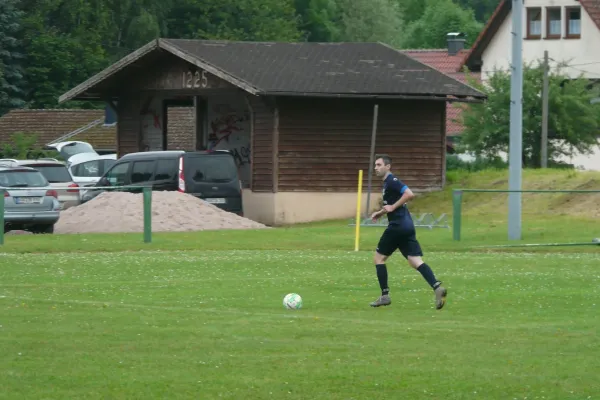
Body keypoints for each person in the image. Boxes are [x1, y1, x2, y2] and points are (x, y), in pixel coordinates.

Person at [369, 154, 447, 310]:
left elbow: (409, 194)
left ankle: (385, 296)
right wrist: (382, 212)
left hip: (397, 226)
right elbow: (392, 205)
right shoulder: (388, 184)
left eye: (378, 165)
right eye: (375, 165)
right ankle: (437, 287)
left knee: (379, 259)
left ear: (388, 166)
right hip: (407, 226)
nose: (375, 168)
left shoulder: (392, 181)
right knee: (415, 260)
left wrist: (392, 207)